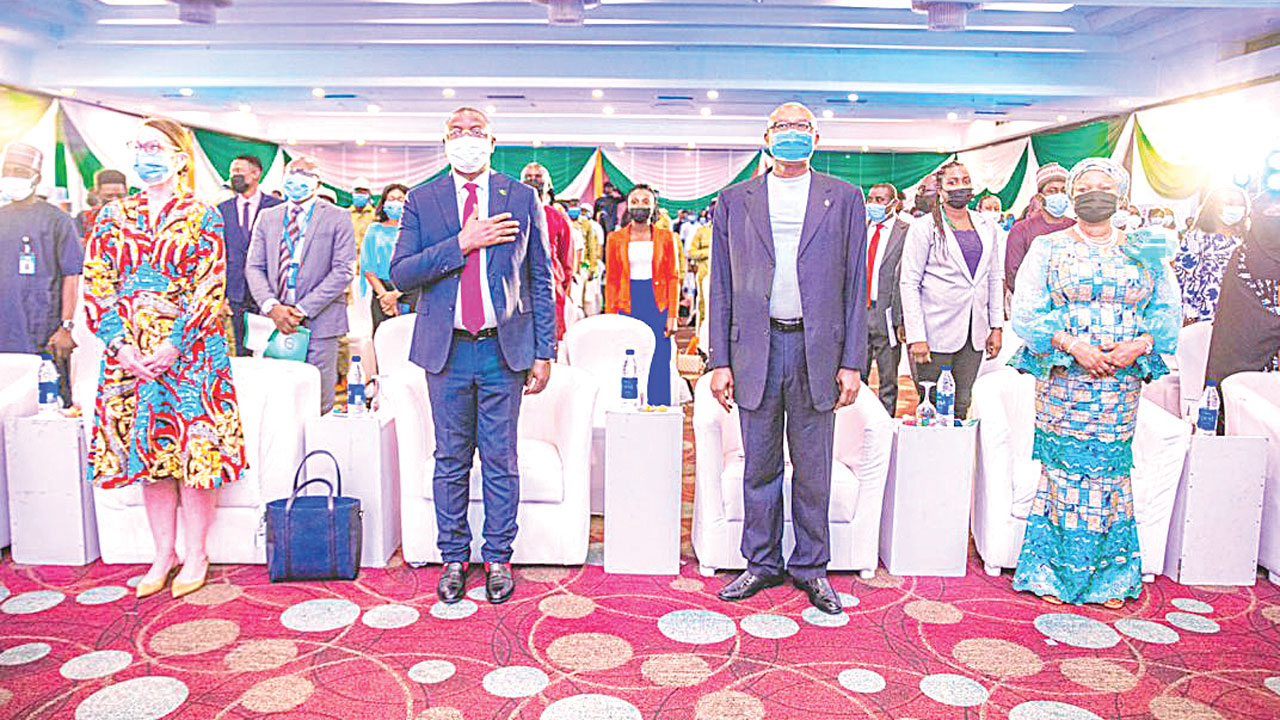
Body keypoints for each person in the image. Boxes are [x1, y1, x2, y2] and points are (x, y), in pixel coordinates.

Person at [390, 107, 554, 606]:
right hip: (448, 351)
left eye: (476, 132)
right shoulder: (423, 199)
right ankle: (454, 559)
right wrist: (461, 243)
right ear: (444, 141)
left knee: (501, 459)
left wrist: (545, 350)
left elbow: (540, 278)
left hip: (505, 349)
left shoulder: (520, 197)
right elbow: (402, 273)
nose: (467, 139)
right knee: (450, 459)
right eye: (457, 132)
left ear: (492, 141)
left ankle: (499, 557)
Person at [708, 102, 867, 614]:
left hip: (817, 350)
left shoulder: (844, 198)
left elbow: (855, 285)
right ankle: (760, 563)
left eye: (801, 126)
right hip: (754, 348)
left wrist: (852, 361)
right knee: (759, 465)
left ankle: (812, 567)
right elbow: (720, 283)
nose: (791, 134)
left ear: (816, 138)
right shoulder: (735, 200)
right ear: (766, 136)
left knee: (813, 467)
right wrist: (718, 360)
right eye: (782, 126)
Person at [83, 117, 247, 600]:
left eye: (154, 146)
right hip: (129, 357)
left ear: (179, 157)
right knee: (150, 457)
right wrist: (121, 346)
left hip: (191, 355)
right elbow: (97, 284)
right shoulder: (112, 217)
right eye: (137, 146)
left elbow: (209, 286)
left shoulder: (202, 215)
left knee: (195, 455)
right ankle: (162, 554)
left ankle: (196, 553)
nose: (144, 155)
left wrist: (174, 344)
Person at [1009, 157, 1179, 608]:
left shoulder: (1145, 249)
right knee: (1063, 471)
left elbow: (1166, 310)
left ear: (1119, 197)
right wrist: (1072, 346)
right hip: (1065, 379)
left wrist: (1138, 345)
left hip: (1120, 382)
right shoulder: (1048, 247)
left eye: (1103, 188)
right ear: (1071, 196)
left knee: (1109, 473)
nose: (1093, 196)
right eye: (1084, 189)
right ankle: (1051, 572)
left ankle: (1110, 578)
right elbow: (1027, 311)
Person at [246, 156, 355, 413]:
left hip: (320, 321)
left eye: (305, 173)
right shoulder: (268, 217)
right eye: (292, 172)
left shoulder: (338, 217)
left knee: (317, 399)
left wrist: (302, 309)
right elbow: (254, 266)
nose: (297, 178)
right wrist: (272, 306)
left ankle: (318, 440)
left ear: (318, 182)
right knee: (277, 397)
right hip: (275, 320)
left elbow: (343, 270)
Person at [899, 161, 1004, 420]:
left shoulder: (986, 225)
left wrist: (996, 327)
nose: (960, 187)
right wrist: (916, 336)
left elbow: (993, 277)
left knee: (962, 403)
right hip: (935, 331)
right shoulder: (925, 227)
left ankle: (958, 447)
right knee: (933, 403)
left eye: (965, 181)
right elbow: (909, 282)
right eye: (953, 182)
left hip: (974, 332)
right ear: (941, 189)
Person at [0, 141, 82, 402]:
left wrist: (66, 327)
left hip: (43, 329)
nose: (12, 177)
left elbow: (71, 276)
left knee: (46, 405)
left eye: (20, 172)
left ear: (36, 178)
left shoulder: (58, 221)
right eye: (7, 171)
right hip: (5, 326)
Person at [604, 184, 681, 406]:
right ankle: (629, 406)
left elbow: (673, 277)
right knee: (628, 355)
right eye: (635, 201)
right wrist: (610, 315)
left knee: (659, 357)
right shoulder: (615, 238)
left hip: (657, 302)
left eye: (645, 201)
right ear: (628, 206)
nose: (640, 206)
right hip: (627, 301)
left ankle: (659, 407)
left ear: (654, 206)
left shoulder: (667, 237)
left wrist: (672, 315)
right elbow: (611, 280)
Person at [1205, 190, 1280, 397]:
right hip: (1246, 371)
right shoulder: (1241, 259)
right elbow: (1234, 323)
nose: (1275, 219)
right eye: (1270, 213)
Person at [217, 153, 282, 356]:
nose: (233, 176)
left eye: (239, 171)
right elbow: (218, 254)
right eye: (231, 172)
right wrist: (221, 295)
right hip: (235, 290)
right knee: (240, 346)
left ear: (255, 174)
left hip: (268, 289)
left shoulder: (276, 207)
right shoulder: (222, 210)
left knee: (269, 347)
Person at [864, 182, 912, 415]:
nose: (873, 204)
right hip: (859, 313)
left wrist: (902, 319)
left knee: (888, 379)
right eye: (871, 199)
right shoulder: (860, 228)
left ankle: (884, 424)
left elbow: (909, 277)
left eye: (880, 200)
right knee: (855, 377)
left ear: (894, 204)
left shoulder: (907, 232)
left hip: (888, 313)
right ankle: (858, 423)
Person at [1174, 187, 1250, 325]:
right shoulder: (1197, 237)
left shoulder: (1246, 240)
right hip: (1204, 314)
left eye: (1241, 205)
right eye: (1230, 203)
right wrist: (1189, 314)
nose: (1236, 208)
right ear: (1214, 206)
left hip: (1240, 313)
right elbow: (1184, 277)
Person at [521, 163, 574, 340]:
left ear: (549, 184)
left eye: (538, 177)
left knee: (550, 343)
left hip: (550, 291)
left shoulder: (558, 217)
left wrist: (561, 289)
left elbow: (566, 261)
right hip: (518, 292)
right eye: (528, 177)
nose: (533, 180)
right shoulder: (510, 214)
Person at [1005, 163, 1074, 294]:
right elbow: (1013, 276)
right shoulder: (1021, 230)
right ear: (1040, 197)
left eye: (1063, 191)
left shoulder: (1075, 227)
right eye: (1052, 191)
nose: (1059, 195)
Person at [360, 183, 412, 335]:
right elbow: (368, 267)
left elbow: (421, 264)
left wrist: (396, 294)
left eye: (400, 199)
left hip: (411, 290)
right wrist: (385, 296)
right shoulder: (374, 229)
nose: (395, 203)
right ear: (383, 203)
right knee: (383, 338)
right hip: (381, 291)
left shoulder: (415, 230)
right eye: (391, 199)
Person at [77, 168, 129, 239]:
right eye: (109, 196)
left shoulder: (138, 218)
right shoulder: (84, 218)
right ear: (97, 194)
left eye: (120, 196)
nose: (115, 200)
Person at [349, 177, 376, 253]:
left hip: (369, 255)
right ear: (352, 193)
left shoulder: (375, 215)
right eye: (357, 192)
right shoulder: (345, 215)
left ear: (369, 195)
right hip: (350, 255)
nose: (360, 194)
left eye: (363, 192)